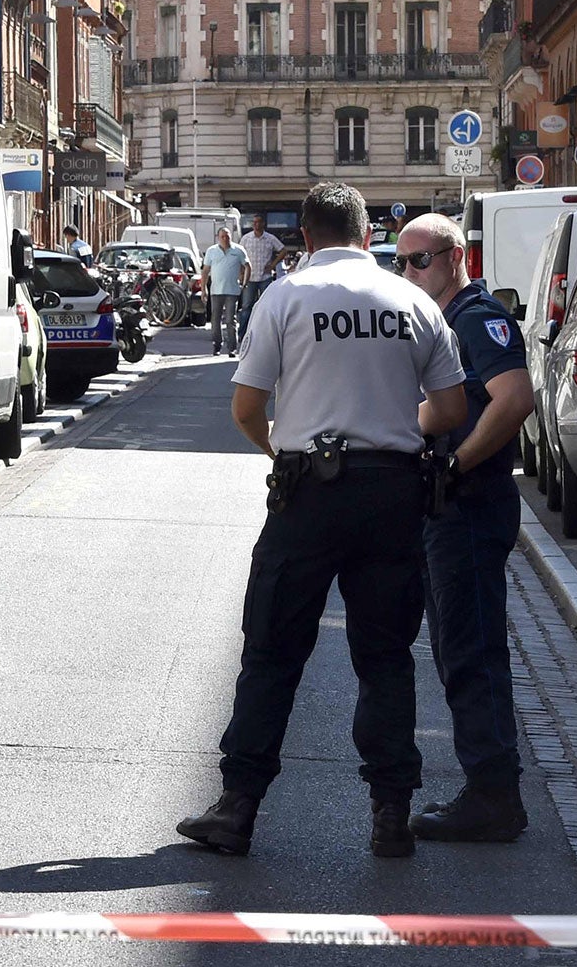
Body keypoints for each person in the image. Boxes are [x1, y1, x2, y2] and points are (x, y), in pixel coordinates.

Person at [177, 183, 467, 859]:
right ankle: (391, 811)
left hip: (309, 492)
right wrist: (394, 433)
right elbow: (451, 409)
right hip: (394, 492)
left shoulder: (285, 298)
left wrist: (284, 448)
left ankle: (238, 809)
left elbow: (248, 407)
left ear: (304, 237)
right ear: (369, 237)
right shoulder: (414, 302)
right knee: (386, 657)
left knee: (272, 650)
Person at [396, 213, 534, 842]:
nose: (409, 272)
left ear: (455, 258)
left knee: (472, 651)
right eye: (402, 262)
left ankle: (493, 796)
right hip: (447, 506)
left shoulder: (478, 318)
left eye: (420, 260)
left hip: (471, 505)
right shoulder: (441, 322)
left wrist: (456, 463)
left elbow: (514, 399)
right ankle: (487, 785)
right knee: (456, 652)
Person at [235, 213, 286, 339]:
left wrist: (273, 264)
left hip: (265, 277)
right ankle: (242, 334)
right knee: (246, 306)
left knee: (266, 306)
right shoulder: (246, 239)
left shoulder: (270, 238)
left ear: (263, 224)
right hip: (250, 278)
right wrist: (241, 273)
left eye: (259, 222)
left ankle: (265, 335)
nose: (256, 225)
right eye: (254, 222)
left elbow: (283, 250)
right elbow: (240, 257)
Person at [202, 226, 247, 355]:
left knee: (230, 320)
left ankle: (232, 347)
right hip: (216, 291)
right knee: (215, 319)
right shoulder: (212, 251)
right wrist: (203, 288)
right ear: (218, 238)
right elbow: (205, 271)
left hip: (232, 291)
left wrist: (244, 283)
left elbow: (247, 266)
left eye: (227, 236)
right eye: (222, 236)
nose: (225, 239)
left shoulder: (238, 250)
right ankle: (217, 345)